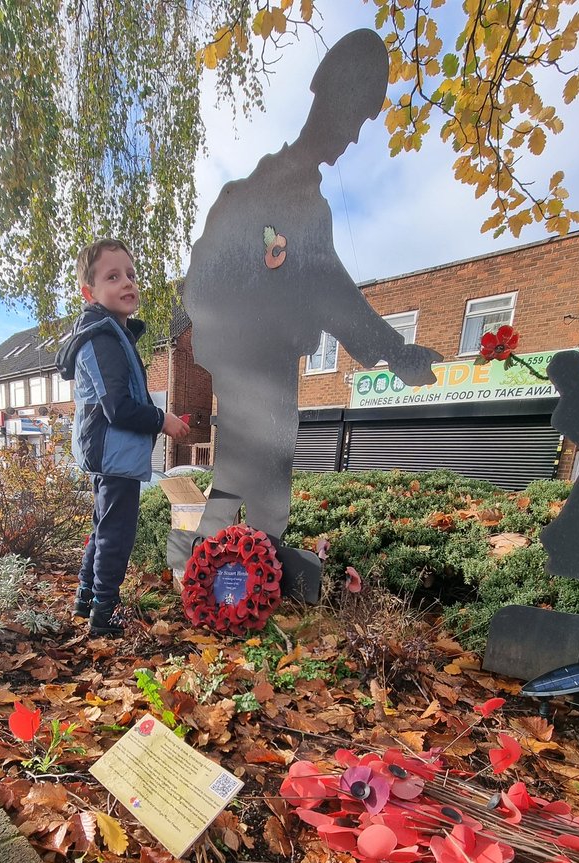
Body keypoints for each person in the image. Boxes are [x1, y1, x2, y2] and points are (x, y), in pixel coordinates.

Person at [172, 29, 440, 595]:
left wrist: (397, 352)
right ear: (322, 93)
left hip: (274, 370)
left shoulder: (310, 209)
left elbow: (334, 293)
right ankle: (217, 587)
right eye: (353, 112)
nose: (353, 133)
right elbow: (200, 284)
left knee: (264, 477)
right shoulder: (250, 194)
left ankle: (240, 586)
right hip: (249, 367)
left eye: (364, 120)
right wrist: (233, 347)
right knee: (250, 476)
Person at [56, 238, 189, 635]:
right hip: (113, 456)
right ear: (90, 292)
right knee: (117, 534)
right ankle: (104, 614)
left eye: (130, 274)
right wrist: (161, 419)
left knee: (103, 528)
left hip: (111, 455)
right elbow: (117, 407)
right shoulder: (101, 338)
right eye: (112, 276)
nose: (127, 282)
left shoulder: (114, 334)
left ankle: (87, 600)